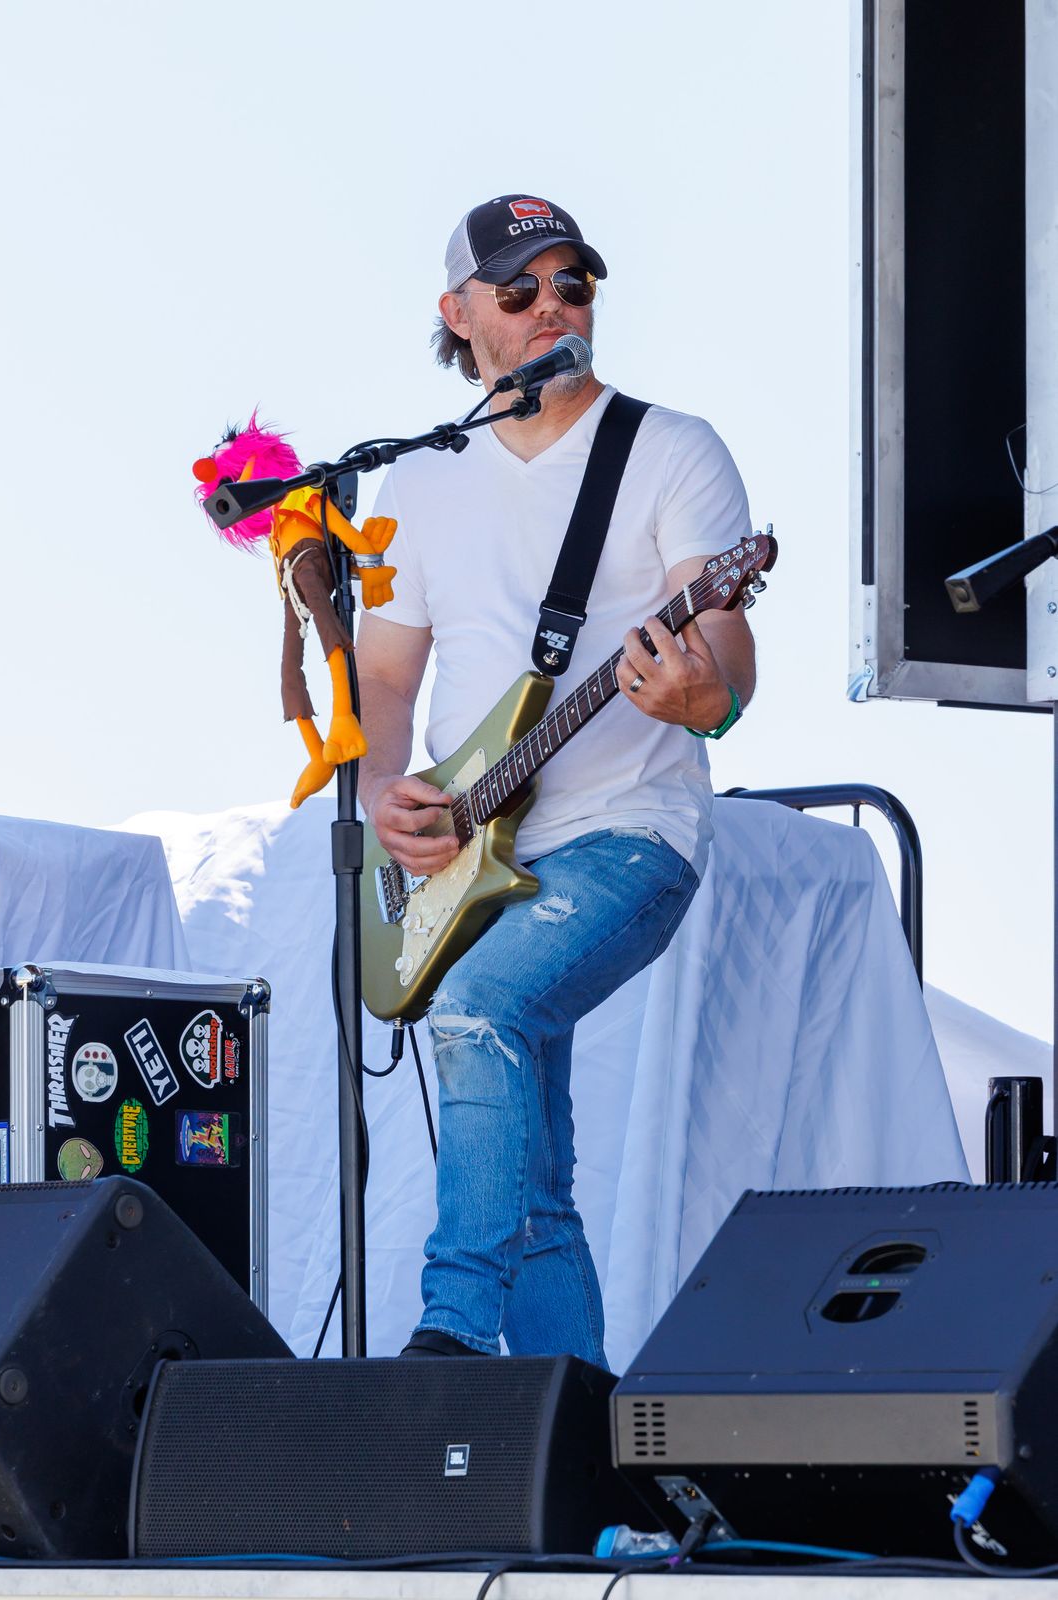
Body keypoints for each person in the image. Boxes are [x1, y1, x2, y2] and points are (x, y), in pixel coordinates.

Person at [355, 193, 756, 1368]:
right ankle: (572, 1435)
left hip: (627, 834)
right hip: (472, 851)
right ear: (458, 313)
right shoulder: (415, 484)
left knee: (480, 1006)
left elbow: (726, 658)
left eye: (572, 283)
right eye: (519, 287)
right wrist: (383, 787)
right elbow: (385, 677)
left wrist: (699, 697)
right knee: (535, 1186)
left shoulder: (667, 448)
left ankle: (450, 1324)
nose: (551, 305)